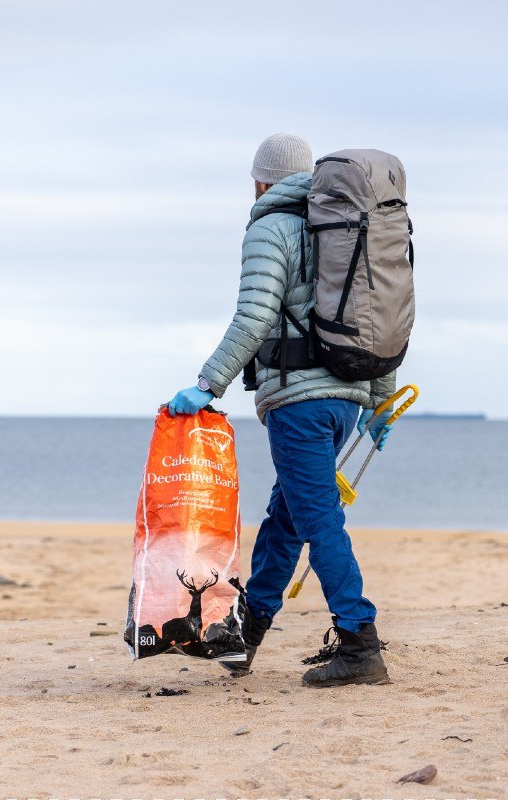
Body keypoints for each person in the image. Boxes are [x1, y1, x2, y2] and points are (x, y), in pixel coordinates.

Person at [167, 133, 396, 688]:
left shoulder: (271, 229)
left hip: (300, 406)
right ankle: (247, 634)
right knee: (287, 520)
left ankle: (360, 644)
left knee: (320, 521)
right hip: (346, 401)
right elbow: (382, 314)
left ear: (261, 181)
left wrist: (207, 385)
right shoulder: (345, 229)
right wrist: (381, 398)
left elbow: (253, 317)